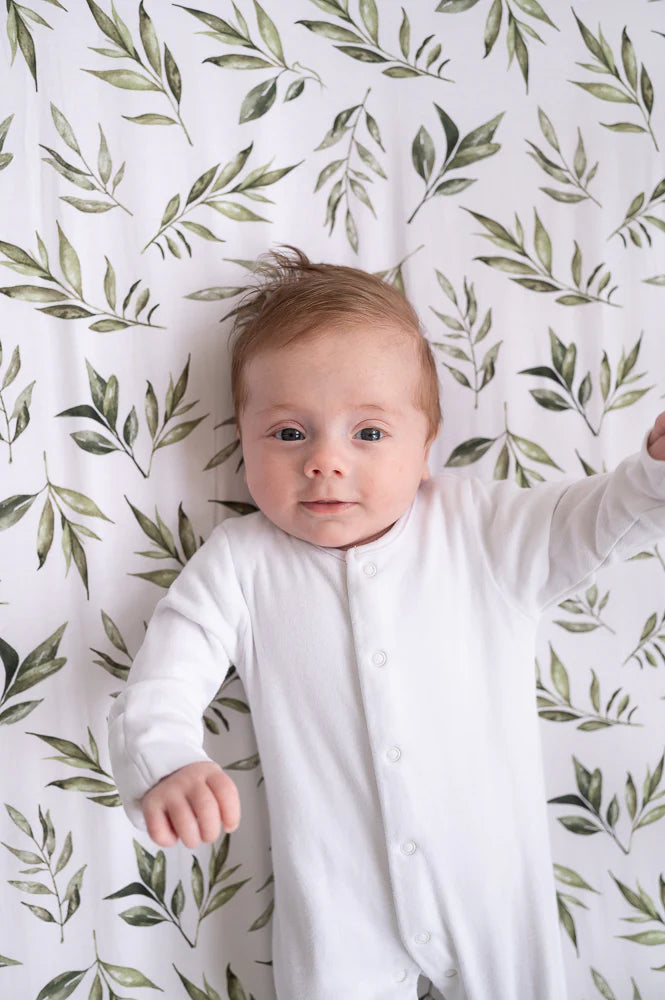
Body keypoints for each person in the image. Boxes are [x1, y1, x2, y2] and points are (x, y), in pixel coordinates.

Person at [108, 245, 665, 1000]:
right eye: (287, 433)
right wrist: (164, 758)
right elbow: (161, 684)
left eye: (367, 434)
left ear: (425, 447)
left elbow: (588, 521)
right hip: (338, 904)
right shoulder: (239, 562)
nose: (324, 462)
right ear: (241, 440)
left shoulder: (481, 528)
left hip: (490, 886)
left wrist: (648, 477)